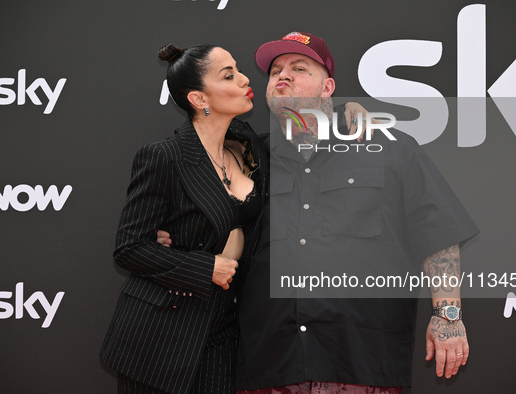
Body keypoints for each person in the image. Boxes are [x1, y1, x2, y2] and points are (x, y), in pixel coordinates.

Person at [157, 32, 479, 393]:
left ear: (328, 88)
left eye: (299, 68)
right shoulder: (246, 162)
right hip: (270, 366)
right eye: (275, 70)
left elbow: (437, 234)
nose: (282, 75)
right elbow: (210, 229)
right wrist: (172, 238)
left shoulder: (388, 148)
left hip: (362, 362)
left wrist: (448, 317)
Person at [100, 43, 268, 394]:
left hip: (223, 333)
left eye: (238, 70)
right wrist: (206, 268)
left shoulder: (250, 147)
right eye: (229, 75)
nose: (244, 80)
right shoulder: (164, 157)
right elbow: (129, 248)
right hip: (161, 336)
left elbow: (303, 139)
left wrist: (345, 116)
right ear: (198, 98)